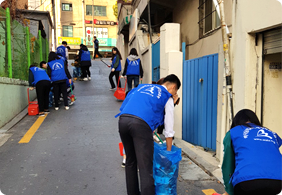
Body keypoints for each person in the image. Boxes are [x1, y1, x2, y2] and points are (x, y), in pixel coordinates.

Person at [116, 74, 181, 195]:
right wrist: (168, 152)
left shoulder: (142, 87)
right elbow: (169, 128)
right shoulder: (167, 96)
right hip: (140, 124)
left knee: (131, 161)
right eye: (176, 91)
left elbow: (127, 102)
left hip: (123, 120)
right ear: (173, 87)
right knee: (145, 167)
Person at [221, 109, 282, 195]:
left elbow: (228, 165)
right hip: (279, 181)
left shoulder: (233, 132)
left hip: (247, 182)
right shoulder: (271, 134)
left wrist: (229, 191)